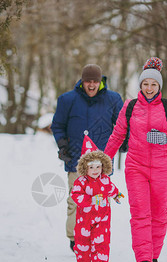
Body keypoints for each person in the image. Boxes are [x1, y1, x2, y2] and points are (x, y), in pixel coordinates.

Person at [104, 57, 167, 262]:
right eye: (146, 84)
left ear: (159, 86)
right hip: (136, 166)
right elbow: (117, 135)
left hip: (161, 168)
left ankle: (154, 256)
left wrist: (165, 138)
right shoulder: (130, 107)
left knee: (159, 215)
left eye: (154, 84)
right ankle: (143, 260)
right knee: (140, 213)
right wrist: (104, 160)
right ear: (140, 85)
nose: (149, 88)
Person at [51, 64, 123, 251]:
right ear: (82, 81)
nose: (91, 85)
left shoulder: (113, 99)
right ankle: (75, 238)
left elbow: (123, 125)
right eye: (87, 81)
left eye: (95, 81)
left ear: (100, 82)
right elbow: (57, 125)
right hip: (76, 159)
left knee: (99, 200)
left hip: (101, 162)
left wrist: (124, 143)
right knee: (75, 199)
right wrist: (63, 145)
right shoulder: (67, 100)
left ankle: (96, 235)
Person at [70, 132, 123, 262]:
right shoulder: (81, 182)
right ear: (84, 168)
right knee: (82, 241)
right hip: (84, 218)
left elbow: (112, 189)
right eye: (91, 167)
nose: (95, 170)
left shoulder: (105, 180)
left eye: (98, 167)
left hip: (102, 218)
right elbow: (75, 195)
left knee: (102, 241)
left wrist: (118, 196)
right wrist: (90, 200)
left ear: (103, 166)